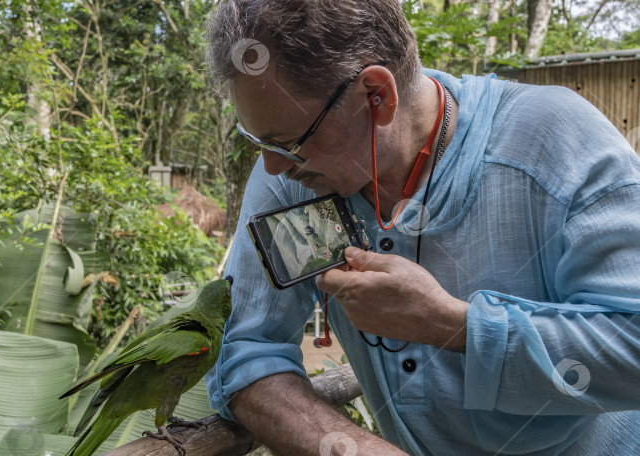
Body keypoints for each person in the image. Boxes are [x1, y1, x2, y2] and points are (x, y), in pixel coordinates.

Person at [203, 0, 640, 454]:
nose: (271, 168)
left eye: (287, 142)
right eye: (257, 140)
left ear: (378, 95)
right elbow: (246, 349)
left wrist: (451, 325)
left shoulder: (553, 139)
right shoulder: (296, 181)